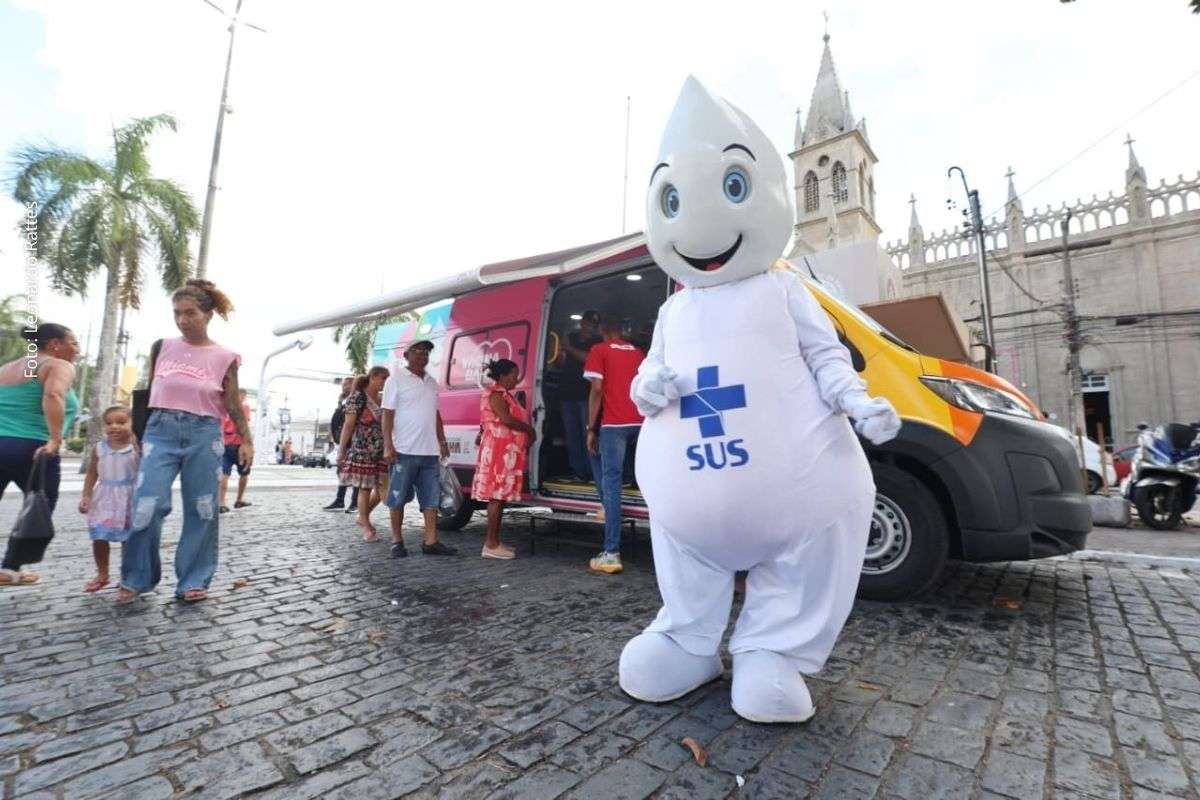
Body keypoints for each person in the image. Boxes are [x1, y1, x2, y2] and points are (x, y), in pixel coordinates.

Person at [617, 78, 900, 724]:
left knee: (810, 545)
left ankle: (771, 649)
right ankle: (688, 639)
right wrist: (647, 386)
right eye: (672, 200)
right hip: (690, 511)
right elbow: (652, 371)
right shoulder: (674, 310)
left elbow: (827, 357)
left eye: (734, 186)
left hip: (791, 503)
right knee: (684, 563)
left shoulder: (784, 289)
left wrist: (857, 401)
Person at [117, 279, 252, 604]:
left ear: (208, 315)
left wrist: (246, 440)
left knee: (202, 508)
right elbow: (150, 390)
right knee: (146, 505)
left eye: (190, 313)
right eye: (177, 313)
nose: (182, 319)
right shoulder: (162, 346)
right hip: (159, 431)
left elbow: (232, 402)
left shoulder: (225, 357)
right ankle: (136, 578)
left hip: (204, 434)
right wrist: (136, 428)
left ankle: (193, 579)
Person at [0, 323, 80, 586]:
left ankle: (10, 568)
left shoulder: (6, 368)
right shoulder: (57, 365)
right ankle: (10, 567)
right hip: (32, 448)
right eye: (74, 343)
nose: (77, 349)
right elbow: (54, 394)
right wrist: (55, 439)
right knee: (40, 505)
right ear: (55, 344)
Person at [380, 340, 456, 558]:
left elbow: (436, 413)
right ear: (406, 355)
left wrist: (442, 442)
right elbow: (387, 413)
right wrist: (388, 445)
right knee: (397, 498)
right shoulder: (395, 379)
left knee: (431, 499)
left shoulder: (432, 382)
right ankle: (397, 541)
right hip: (403, 450)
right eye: (418, 351)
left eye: (426, 351)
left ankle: (431, 541)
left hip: (430, 451)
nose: (423, 355)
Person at [583, 314, 645, 575]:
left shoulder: (599, 350)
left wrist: (591, 427)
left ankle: (610, 552)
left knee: (611, 483)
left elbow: (597, 388)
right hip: (642, 422)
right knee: (649, 480)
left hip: (615, 424)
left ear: (603, 331)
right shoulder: (638, 353)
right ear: (621, 330)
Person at [471, 359, 535, 559]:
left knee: (500, 497)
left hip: (505, 450)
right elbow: (506, 419)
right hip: (499, 451)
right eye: (514, 375)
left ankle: (495, 541)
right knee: (496, 497)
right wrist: (529, 430)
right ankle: (490, 544)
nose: (517, 378)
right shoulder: (496, 394)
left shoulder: (505, 394)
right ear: (503, 376)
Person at [79, 405, 138, 593]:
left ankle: (127, 576)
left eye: (121, 422)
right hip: (104, 498)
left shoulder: (136, 446)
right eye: (109, 423)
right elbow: (91, 473)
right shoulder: (100, 447)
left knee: (128, 539)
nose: (114, 426)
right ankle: (102, 574)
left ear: (133, 423)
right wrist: (86, 495)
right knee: (99, 535)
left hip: (129, 498)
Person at [337, 367, 390, 542]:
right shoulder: (357, 397)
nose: (385, 382)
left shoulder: (382, 398)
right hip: (363, 448)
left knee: (383, 487)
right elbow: (348, 425)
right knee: (365, 488)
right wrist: (341, 449)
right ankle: (365, 523)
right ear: (373, 377)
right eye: (383, 378)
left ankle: (362, 516)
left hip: (381, 449)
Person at [557, 310, 600, 482]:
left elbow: (588, 358)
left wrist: (568, 348)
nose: (592, 326)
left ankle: (592, 473)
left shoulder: (597, 341)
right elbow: (559, 362)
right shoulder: (571, 337)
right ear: (583, 322)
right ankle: (579, 473)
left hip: (586, 395)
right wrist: (561, 351)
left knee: (588, 434)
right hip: (567, 393)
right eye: (589, 322)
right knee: (572, 436)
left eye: (595, 324)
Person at [323, 376, 360, 512]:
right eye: (343, 385)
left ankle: (355, 502)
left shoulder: (356, 400)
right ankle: (340, 500)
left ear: (353, 385)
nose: (343, 387)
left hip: (354, 442)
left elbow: (349, 423)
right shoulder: (344, 400)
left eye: (346, 385)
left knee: (356, 472)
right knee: (344, 471)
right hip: (345, 442)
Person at [218, 389, 253, 513]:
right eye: (244, 396)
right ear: (241, 396)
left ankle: (221, 503)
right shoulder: (244, 407)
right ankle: (239, 499)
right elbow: (244, 425)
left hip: (224, 443)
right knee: (244, 473)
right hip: (239, 445)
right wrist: (247, 443)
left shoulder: (223, 407)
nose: (244, 398)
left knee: (224, 473)